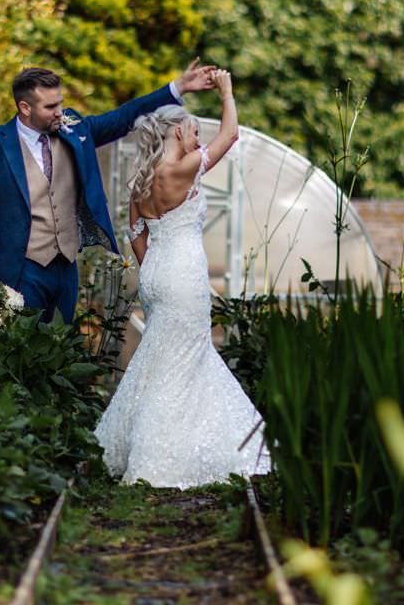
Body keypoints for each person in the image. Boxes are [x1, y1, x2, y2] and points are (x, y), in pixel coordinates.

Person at [94, 69, 271, 488]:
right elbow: (229, 137)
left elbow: (134, 232)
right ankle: (162, 455)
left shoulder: (144, 179)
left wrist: (151, 263)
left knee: (166, 358)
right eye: (192, 130)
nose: (196, 138)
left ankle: (145, 442)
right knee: (184, 360)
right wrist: (227, 93)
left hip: (157, 273)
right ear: (175, 133)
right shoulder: (181, 170)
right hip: (182, 277)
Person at [0, 61, 217, 323]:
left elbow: (123, 117)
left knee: (62, 351)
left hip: (66, 267)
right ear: (25, 107)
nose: (59, 112)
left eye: (61, 103)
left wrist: (178, 87)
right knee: (18, 357)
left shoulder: (74, 129)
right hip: (18, 269)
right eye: (50, 106)